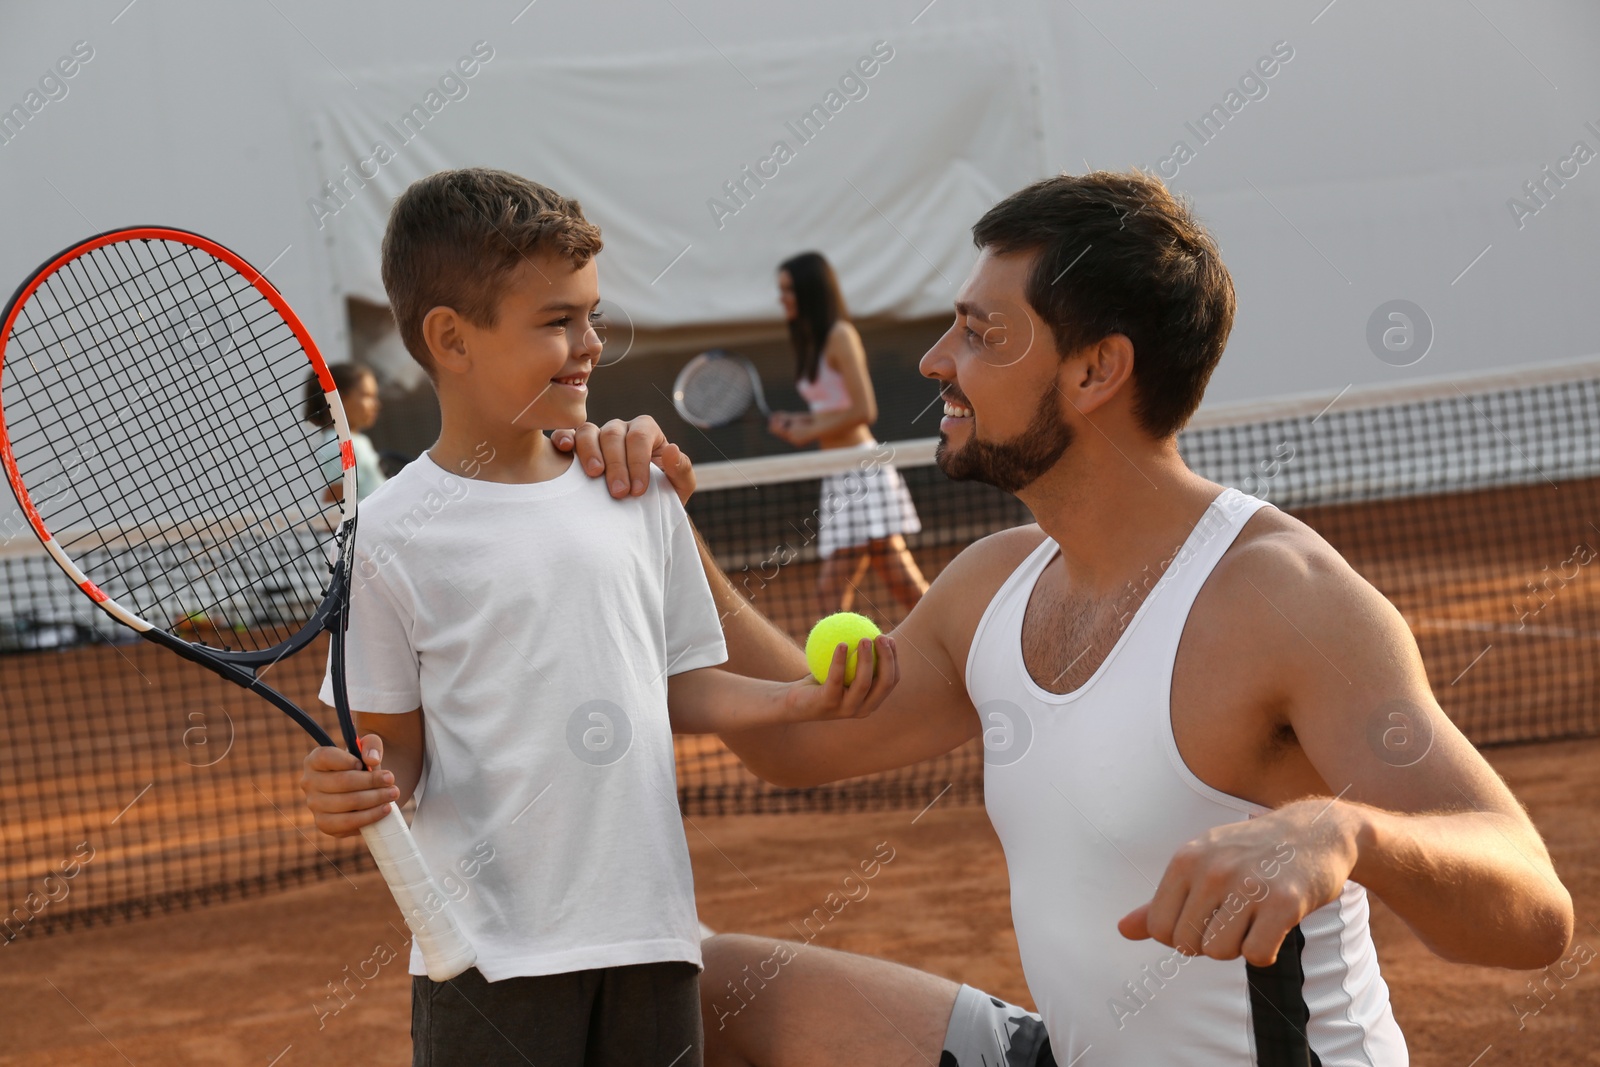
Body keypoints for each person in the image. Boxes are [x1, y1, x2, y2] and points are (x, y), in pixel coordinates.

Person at [644, 172, 1573, 1064]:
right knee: (724, 988)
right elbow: (798, 736)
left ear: (1096, 370)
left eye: (978, 333)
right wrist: (658, 521)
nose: (935, 363)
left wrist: (1342, 832)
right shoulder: (992, 584)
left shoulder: (1282, 599)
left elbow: (1534, 910)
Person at [296, 168, 898, 1067]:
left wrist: (792, 704)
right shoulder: (384, 535)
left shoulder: (634, 487)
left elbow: (681, 679)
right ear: (450, 339)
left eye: (593, 316)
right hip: (487, 962)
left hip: (653, 936)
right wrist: (354, 781)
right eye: (556, 322)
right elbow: (394, 747)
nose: (589, 346)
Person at [766, 251, 928, 613]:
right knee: (898, 585)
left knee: (843, 593)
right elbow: (830, 411)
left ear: (811, 290)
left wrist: (808, 431)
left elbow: (863, 410)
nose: (783, 299)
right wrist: (798, 422)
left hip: (863, 471)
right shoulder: (811, 341)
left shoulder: (841, 334)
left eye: (789, 290)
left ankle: (955, 646)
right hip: (838, 473)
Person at [305, 362, 387, 503]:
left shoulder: (357, 441)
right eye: (367, 395)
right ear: (339, 399)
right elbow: (335, 507)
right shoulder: (340, 445)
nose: (377, 405)